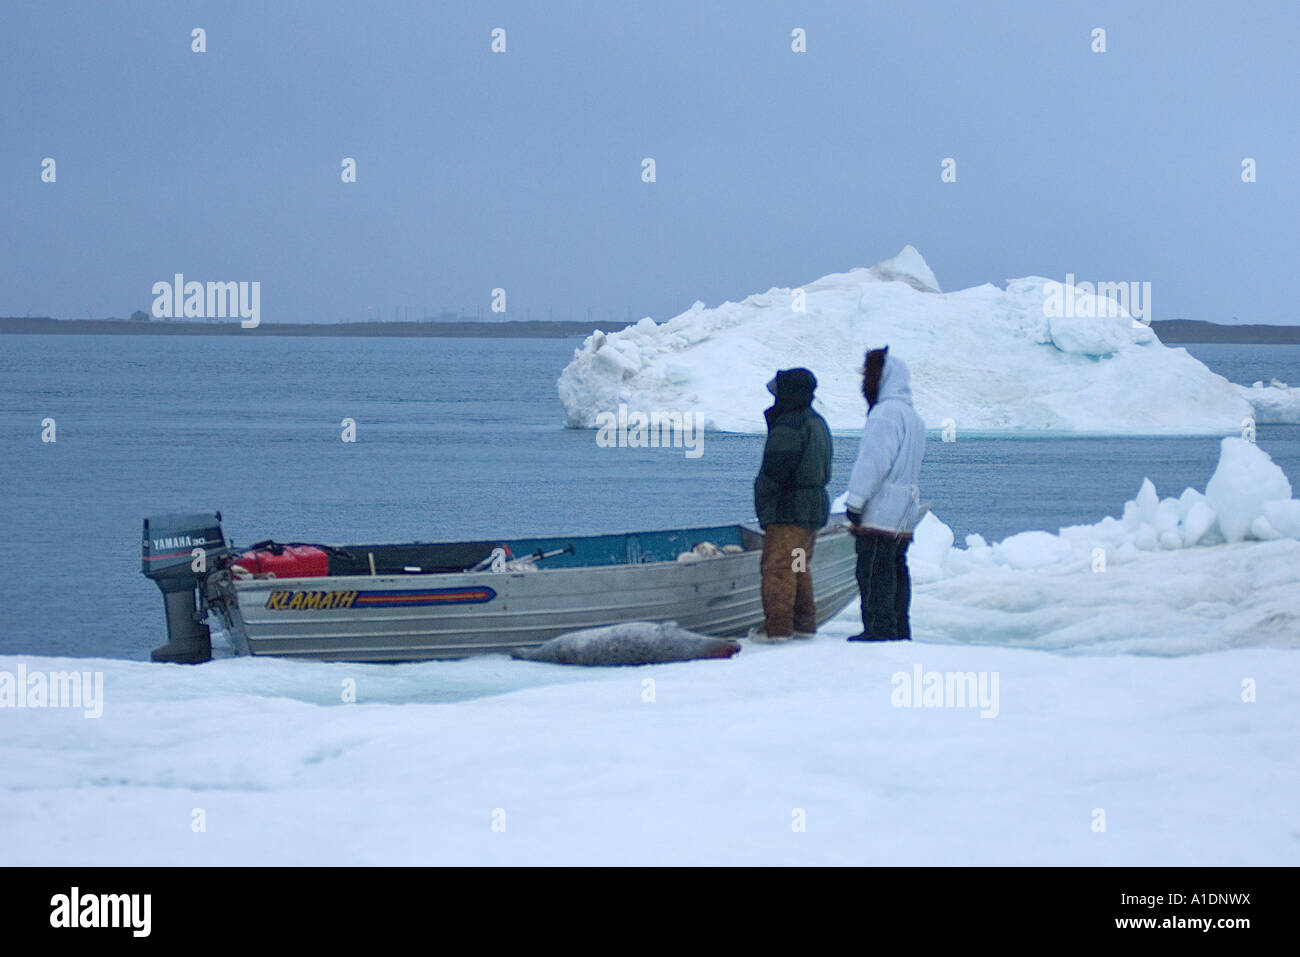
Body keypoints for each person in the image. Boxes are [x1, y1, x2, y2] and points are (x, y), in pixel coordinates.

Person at [843, 347, 926, 641]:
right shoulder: (913, 416)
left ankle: (879, 629)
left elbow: (873, 463)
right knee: (896, 569)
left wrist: (855, 501)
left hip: (881, 508)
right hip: (905, 509)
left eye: (868, 373)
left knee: (873, 570)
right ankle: (899, 627)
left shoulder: (884, 414)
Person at [751, 367, 833, 642]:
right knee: (798, 565)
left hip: (788, 512)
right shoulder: (817, 422)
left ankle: (778, 629)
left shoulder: (789, 425)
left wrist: (763, 496)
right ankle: (803, 624)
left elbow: (775, 470)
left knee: (779, 568)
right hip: (810, 511)